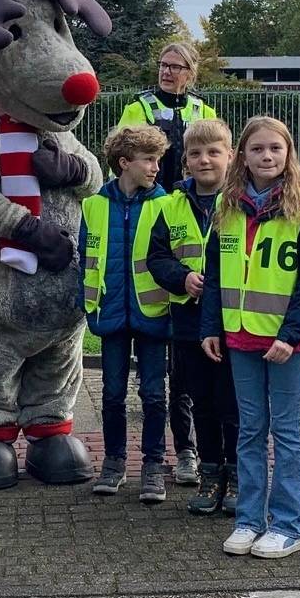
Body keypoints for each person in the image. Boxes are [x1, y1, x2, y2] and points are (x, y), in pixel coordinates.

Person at [201, 116, 300, 560]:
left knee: (286, 431)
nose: (267, 156)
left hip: (285, 343)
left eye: (276, 148)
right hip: (239, 337)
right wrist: (210, 328)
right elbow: (215, 273)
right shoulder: (227, 206)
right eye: (257, 149)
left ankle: (291, 524)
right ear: (243, 155)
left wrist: (291, 335)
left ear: (289, 153)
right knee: (250, 430)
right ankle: (249, 520)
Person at [116, 41, 219, 485]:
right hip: (160, 205)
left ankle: (200, 452)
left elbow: (216, 150)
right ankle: (180, 452)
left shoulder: (203, 108)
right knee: (172, 368)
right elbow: (123, 148)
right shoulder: (139, 105)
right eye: (163, 65)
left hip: (196, 204)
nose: (168, 72)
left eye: (177, 67)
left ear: (191, 72)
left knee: (196, 372)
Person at [142, 118, 239, 516]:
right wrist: (182, 278)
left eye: (214, 152)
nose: (204, 160)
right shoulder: (170, 205)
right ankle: (210, 474)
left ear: (230, 157)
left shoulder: (242, 203)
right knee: (201, 401)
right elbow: (156, 257)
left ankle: (236, 478)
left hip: (233, 319)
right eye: (196, 153)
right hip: (187, 321)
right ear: (185, 160)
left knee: (232, 403)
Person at [81, 124, 173, 502]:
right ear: (124, 163)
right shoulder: (93, 205)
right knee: (112, 393)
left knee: (153, 394)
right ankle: (114, 461)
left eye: (158, 160)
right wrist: (87, 304)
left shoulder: (167, 204)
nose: (155, 167)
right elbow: (84, 259)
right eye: (148, 160)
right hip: (111, 314)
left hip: (153, 312)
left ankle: (154, 465)